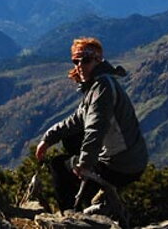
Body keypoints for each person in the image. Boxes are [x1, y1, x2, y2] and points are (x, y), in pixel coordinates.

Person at [35, 37, 148, 212]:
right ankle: (92, 194)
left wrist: (85, 164)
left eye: (85, 60)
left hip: (121, 165)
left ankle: (70, 215)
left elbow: (96, 128)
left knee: (58, 165)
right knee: (71, 137)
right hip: (131, 158)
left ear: (98, 60)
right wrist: (48, 138)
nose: (79, 65)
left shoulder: (102, 87)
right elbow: (77, 120)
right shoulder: (97, 85)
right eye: (76, 61)